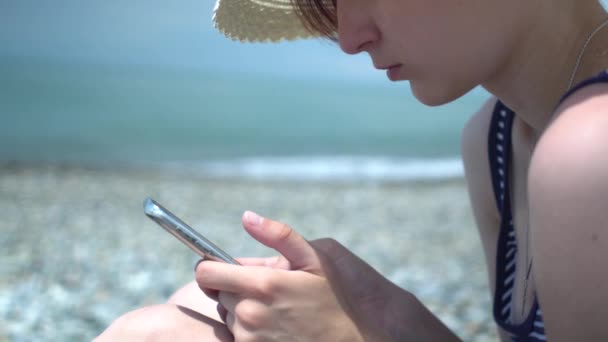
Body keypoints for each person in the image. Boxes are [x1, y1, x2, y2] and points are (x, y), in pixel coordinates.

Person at [95, 0, 608, 340]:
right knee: (190, 315)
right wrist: (382, 312)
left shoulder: (589, 146)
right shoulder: (496, 140)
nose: (348, 38)